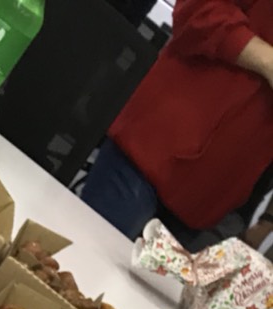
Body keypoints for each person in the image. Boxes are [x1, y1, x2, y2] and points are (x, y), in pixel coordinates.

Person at [80, 0, 273, 242]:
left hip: (213, 196)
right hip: (154, 151)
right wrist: (267, 60)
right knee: (77, 254)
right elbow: (197, 9)